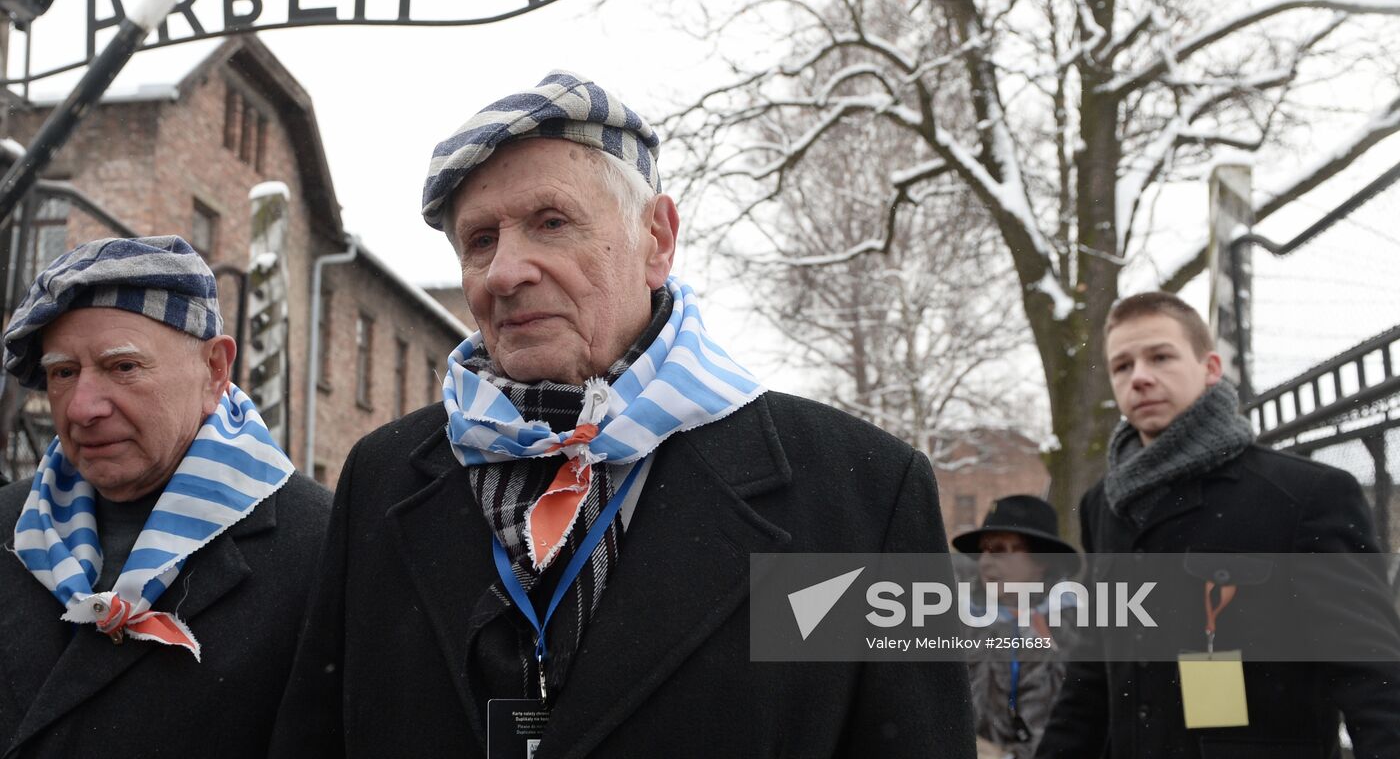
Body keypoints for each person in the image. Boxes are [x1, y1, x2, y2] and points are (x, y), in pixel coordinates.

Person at [271, 71, 976, 758]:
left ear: (657, 240)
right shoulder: (384, 477)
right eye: (480, 240)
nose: (505, 272)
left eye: (551, 223)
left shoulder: (862, 495)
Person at [0, 236, 331, 758]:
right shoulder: (9, 522)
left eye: (123, 367)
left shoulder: (322, 547)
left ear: (214, 370)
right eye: (63, 373)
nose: (82, 407)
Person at [1035, 291, 1400, 759]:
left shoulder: (1306, 495)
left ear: (1209, 368)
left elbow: (1371, 673)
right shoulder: (1102, 505)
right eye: (1122, 366)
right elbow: (1091, 676)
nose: (1139, 377)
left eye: (1160, 357)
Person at [953, 495, 1079, 759]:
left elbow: (1076, 731)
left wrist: (1003, 757)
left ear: (1041, 560)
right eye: (982, 550)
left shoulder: (1079, 633)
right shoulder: (956, 622)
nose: (985, 562)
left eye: (999, 549)